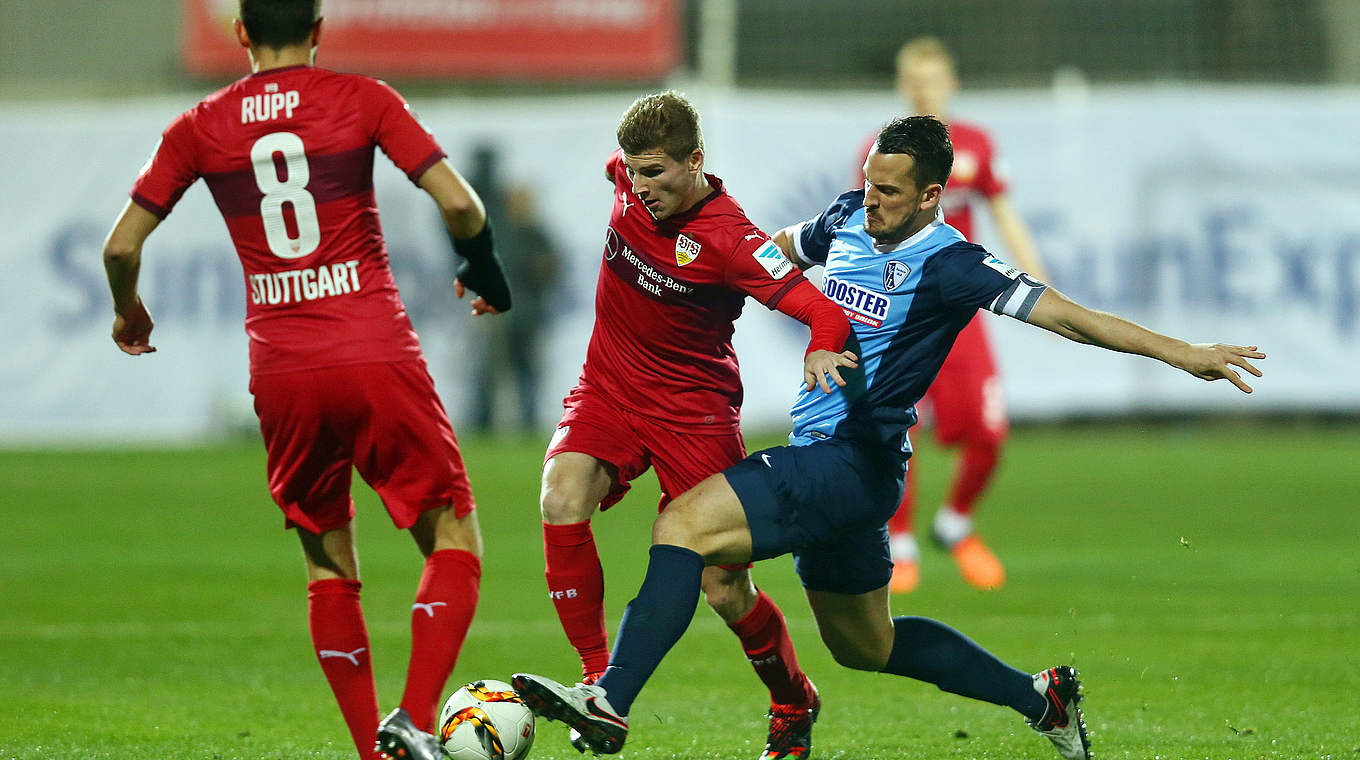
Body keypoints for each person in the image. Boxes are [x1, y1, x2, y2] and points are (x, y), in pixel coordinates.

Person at [512, 115, 1265, 760]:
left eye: (890, 190)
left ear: (933, 195)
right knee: (867, 647)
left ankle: (610, 698)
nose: (871, 198)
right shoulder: (844, 217)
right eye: (870, 181)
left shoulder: (954, 265)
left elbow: (1068, 315)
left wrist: (1185, 353)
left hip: (850, 461)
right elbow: (767, 252)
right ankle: (1043, 701)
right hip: (845, 474)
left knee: (683, 524)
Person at [100, 3, 511, 759]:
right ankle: (414, 722)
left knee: (327, 561)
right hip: (373, 350)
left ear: (241, 33)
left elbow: (121, 246)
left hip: (283, 369)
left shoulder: (199, 126)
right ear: (319, 28)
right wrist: (481, 268)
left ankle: (370, 751)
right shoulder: (365, 100)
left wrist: (129, 314)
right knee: (453, 537)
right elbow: (459, 201)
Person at [538, 90, 852, 759]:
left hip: (693, 411)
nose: (639, 184)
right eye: (633, 170)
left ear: (696, 162)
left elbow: (825, 313)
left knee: (723, 584)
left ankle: (794, 697)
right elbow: (620, 172)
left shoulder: (733, 241)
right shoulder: (623, 179)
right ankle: (599, 683)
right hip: (609, 388)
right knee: (560, 496)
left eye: (655, 172)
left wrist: (823, 345)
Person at [862, 36, 1054, 593]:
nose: (924, 90)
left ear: (952, 84)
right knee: (901, 425)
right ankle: (900, 543)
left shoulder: (974, 144)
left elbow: (1002, 212)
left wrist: (1036, 274)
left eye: (933, 79)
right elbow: (865, 227)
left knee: (989, 431)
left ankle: (954, 523)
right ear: (902, 88)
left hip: (963, 313)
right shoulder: (881, 152)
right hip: (903, 312)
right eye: (914, 81)